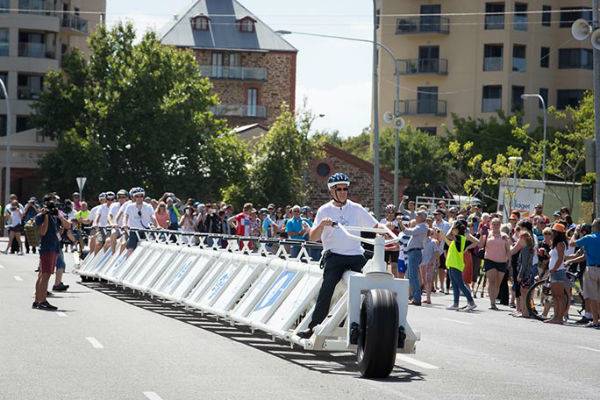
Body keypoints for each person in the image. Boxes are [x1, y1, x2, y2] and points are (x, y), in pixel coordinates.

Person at [296, 173, 379, 339]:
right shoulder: (324, 210)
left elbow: (375, 226)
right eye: (338, 189)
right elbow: (313, 237)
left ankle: (359, 328)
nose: (342, 192)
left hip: (356, 256)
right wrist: (321, 224)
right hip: (334, 257)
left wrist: (388, 231)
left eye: (345, 188)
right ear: (331, 191)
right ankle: (313, 327)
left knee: (365, 291)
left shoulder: (356, 208)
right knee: (326, 290)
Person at [33, 195, 70, 311]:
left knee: (43, 275)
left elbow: (68, 225)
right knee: (44, 275)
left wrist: (58, 217)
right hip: (47, 248)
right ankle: (41, 301)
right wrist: (46, 216)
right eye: (51, 203)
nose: (53, 205)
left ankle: (38, 301)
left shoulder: (55, 215)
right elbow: (43, 232)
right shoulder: (41, 216)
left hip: (53, 247)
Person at [440, 220, 478, 311]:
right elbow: (449, 242)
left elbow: (450, 236)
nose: (452, 230)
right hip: (452, 264)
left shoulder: (460, 238)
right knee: (455, 285)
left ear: (457, 230)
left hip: (456, 265)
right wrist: (442, 235)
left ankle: (471, 302)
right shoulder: (458, 239)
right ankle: (455, 304)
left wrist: (452, 225)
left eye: (454, 229)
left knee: (460, 285)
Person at [573, 219, 600, 328]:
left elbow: (572, 243)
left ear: (594, 227)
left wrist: (575, 233)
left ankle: (595, 321)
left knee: (593, 297)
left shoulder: (589, 238)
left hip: (592, 269)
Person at [398, 210, 428, 306]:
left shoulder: (421, 226)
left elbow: (407, 231)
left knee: (413, 277)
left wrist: (400, 223)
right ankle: (415, 297)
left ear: (423, 217)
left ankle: (417, 298)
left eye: (418, 215)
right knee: (411, 276)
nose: (416, 216)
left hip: (415, 252)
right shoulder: (421, 226)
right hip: (414, 252)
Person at [480, 218, 511, 310]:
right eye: (494, 224)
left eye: (497, 224)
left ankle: (494, 300)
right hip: (489, 260)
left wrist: (509, 261)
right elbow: (481, 245)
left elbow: (508, 250)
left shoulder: (504, 236)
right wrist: (482, 235)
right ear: (491, 225)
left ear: (500, 225)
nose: (495, 225)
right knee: (492, 281)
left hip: (502, 261)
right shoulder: (488, 234)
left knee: (498, 283)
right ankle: (492, 302)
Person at [545, 223, 569, 324]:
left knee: (559, 296)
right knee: (555, 296)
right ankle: (556, 317)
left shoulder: (560, 244)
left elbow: (560, 258)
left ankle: (559, 318)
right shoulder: (556, 243)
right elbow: (555, 257)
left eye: (553, 232)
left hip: (558, 271)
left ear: (557, 233)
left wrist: (554, 268)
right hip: (556, 271)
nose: (551, 233)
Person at [124, 187, 157, 255]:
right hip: (134, 231)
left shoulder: (148, 206)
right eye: (137, 196)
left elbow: (153, 217)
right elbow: (125, 216)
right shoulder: (129, 206)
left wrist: (156, 225)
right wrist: (125, 224)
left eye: (141, 196)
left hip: (146, 230)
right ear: (134, 197)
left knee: (152, 244)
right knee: (130, 248)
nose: (139, 198)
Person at [380, 204, 400, 276]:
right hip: (385, 246)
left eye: (392, 212)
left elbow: (400, 234)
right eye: (388, 212)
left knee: (394, 266)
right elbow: (379, 232)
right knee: (384, 266)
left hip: (395, 247)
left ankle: (395, 281)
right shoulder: (382, 221)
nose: (390, 214)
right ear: (386, 213)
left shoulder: (397, 222)